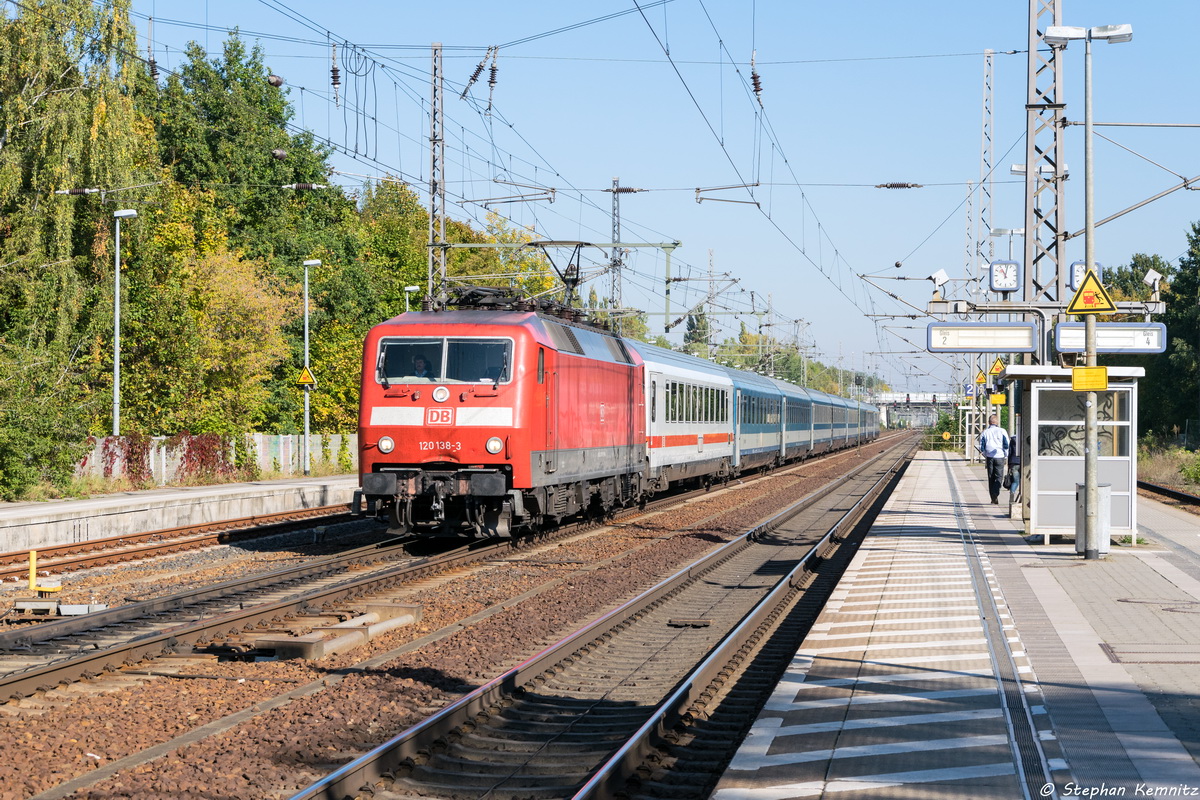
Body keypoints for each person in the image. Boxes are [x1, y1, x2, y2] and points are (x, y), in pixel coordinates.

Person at [978, 414, 1010, 505]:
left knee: (990, 477)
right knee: (999, 477)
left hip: (989, 457)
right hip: (1000, 457)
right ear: (997, 422)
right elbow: (1006, 445)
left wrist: (986, 455)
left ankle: (993, 497)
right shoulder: (1002, 431)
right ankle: (995, 493)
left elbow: (981, 446)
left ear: (989, 422)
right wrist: (1006, 456)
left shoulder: (985, 432)